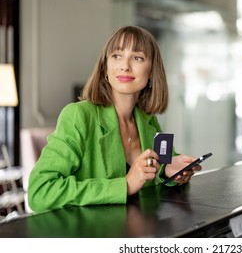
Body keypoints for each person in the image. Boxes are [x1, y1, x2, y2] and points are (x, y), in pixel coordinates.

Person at [28, 26, 201, 212]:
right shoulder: (78, 116)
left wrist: (167, 172)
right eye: (117, 56)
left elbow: (155, 177)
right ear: (105, 67)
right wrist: (125, 185)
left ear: (151, 71)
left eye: (137, 58)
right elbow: (39, 192)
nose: (125, 66)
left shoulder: (148, 121)